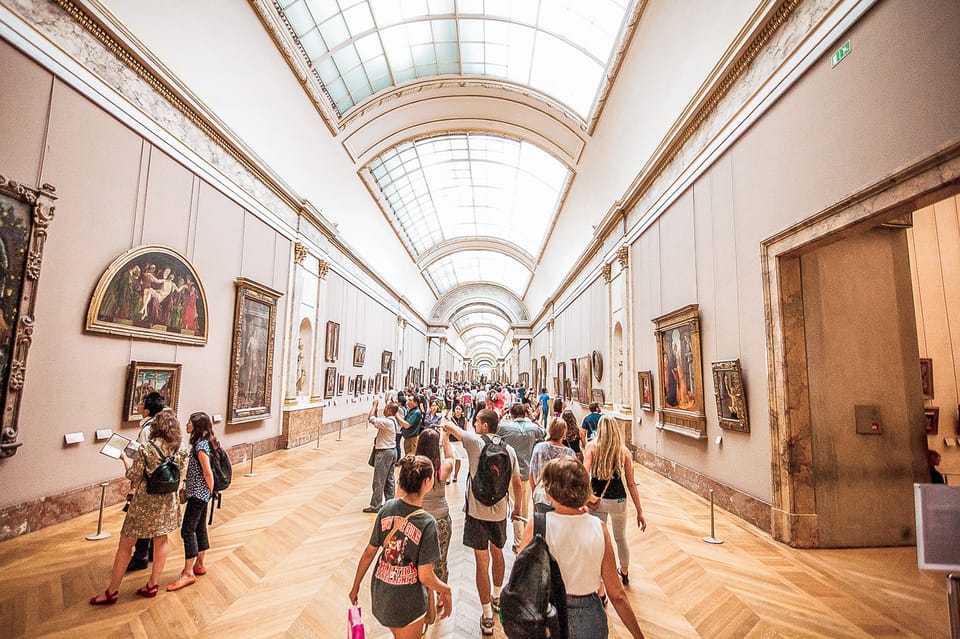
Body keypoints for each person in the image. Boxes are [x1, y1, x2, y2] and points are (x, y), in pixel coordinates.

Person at [517, 458, 645, 639]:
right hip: (589, 615)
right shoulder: (599, 527)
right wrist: (638, 635)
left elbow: (520, 577)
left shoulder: (537, 524)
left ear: (549, 492)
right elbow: (616, 594)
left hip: (546, 611)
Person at [349, 455, 453, 639]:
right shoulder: (427, 523)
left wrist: (355, 586)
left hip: (382, 595)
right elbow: (425, 575)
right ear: (427, 483)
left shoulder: (387, 508)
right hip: (408, 603)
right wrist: (445, 590)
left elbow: (369, 552)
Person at [90, 409, 187, 604]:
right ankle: (153, 584)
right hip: (167, 501)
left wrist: (125, 460)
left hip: (145, 501)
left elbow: (134, 476)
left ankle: (112, 591)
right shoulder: (181, 448)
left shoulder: (147, 449)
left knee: (125, 545)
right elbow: (180, 472)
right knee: (161, 540)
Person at [444, 408, 522, 636]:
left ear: (485, 425)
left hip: (477, 513)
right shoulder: (509, 449)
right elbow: (516, 481)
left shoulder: (474, 442)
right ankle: (497, 595)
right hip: (499, 513)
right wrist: (517, 507)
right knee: (498, 553)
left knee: (481, 562)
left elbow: (452, 429)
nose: (474, 424)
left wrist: (444, 419)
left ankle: (487, 614)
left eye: (476, 421)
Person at [584, 415, 647, 587]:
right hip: (619, 500)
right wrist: (640, 511)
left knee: (598, 539)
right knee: (620, 538)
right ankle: (624, 571)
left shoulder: (592, 447)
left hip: (597, 500)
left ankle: (601, 580)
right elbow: (631, 483)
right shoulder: (623, 451)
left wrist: (581, 500)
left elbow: (583, 474)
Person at [167, 411, 216, 592]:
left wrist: (209, 491)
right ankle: (199, 564)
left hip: (198, 494)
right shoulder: (204, 442)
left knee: (188, 530)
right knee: (199, 527)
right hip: (200, 493)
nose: (186, 425)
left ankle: (188, 573)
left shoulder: (200, 446)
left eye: (189, 422)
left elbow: (207, 471)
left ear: (197, 426)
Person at [414, 429, 455, 630]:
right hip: (440, 519)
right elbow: (451, 457)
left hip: (418, 520)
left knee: (419, 562)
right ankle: (440, 595)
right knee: (440, 560)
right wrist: (446, 440)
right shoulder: (441, 469)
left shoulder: (412, 469)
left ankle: (421, 601)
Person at [497, 403, 546, 552]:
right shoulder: (532, 428)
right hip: (529, 473)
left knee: (515, 506)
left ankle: (519, 541)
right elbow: (544, 432)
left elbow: (493, 429)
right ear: (525, 413)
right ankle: (527, 538)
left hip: (511, 472)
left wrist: (500, 414)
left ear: (511, 414)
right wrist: (533, 418)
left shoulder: (506, 428)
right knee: (525, 507)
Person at [127, 391, 166, 572]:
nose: (138, 405)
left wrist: (134, 483)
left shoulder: (147, 430)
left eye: (141, 403)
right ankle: (149, 552)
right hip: (159, 479)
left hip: (148, 481)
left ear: (146, 410)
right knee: (152, 517)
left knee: (142, 520)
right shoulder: (161, 427)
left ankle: (140, 555)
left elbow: (144, 458)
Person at [529, 417, 576, 512]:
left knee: (542, 525)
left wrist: (534, 492)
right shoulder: (570, 453)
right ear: (564, 432)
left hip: (541, 495)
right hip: (562, 498)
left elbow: (531, 473)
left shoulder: (539, 448)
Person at [365, 399, 399, 513]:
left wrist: (374, 405)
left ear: (389, 411)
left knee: (379, 480)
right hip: (392, 451)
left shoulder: (388, 422)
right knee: (389, 479)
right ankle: (390, 503)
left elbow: (371, 418)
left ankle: (376, 505)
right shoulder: (393, 421)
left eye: (385, 408)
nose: (383, 410)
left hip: (385, 452)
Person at [448, 403, 468, 482]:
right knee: (450, 459)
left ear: (462, 411)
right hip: (451, 441)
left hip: (459, 442)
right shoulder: (451, 419)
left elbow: (465, 431)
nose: (457, 411)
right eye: (456, 409)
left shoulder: (464, 420)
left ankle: (455, 475)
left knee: (458, 459)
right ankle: (448, 476)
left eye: (459, 409)